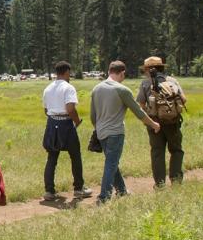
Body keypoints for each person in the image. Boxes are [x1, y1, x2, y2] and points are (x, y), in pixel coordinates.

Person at [89, 60, 160, 204]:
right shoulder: (122, 90)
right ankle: (104, 197)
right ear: (122, 73)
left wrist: (99, 128)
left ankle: (121, 191)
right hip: (115, 132)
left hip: (101, 133)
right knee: (111, 164)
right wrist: (154, 124)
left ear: (109, 71)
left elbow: (92, 116)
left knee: (112, 162)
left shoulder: (96, 89)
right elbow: (138, 112)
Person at [41, 61, 92, 201]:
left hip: (52, 123)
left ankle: (49, 191)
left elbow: (46, 110)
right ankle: (78, 188)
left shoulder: (48, 88)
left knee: (52, 157)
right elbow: (70, 109)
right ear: (67, 72)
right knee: (75, 156)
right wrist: (77, 121)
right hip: (66, 124)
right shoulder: (69, 88)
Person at [136, 56, 187, 188]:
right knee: (176, 151)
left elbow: (141, 104)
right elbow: (184, 100)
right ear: (162, 67)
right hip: (173, 122)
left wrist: (148, 120)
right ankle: (176, 181)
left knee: (157, 152)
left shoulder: (145, 83)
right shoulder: (172, 81)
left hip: (154, 124)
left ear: (147, 69)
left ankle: (160, 184)